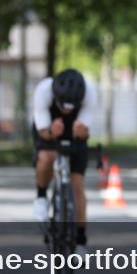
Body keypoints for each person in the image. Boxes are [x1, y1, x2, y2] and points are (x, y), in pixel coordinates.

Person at [31, 68, 97, 249]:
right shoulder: (43, 91)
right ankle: (41, 196)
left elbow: (85, 129)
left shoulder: (89, 93)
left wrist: (81, 131)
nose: (67, 110)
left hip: (75, 130)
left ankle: (81, 242)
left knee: (77, 186)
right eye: (63, 106)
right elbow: (42, 131)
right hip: (49, 125)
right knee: (46, 156)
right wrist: (51, 132)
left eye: (71, 107)